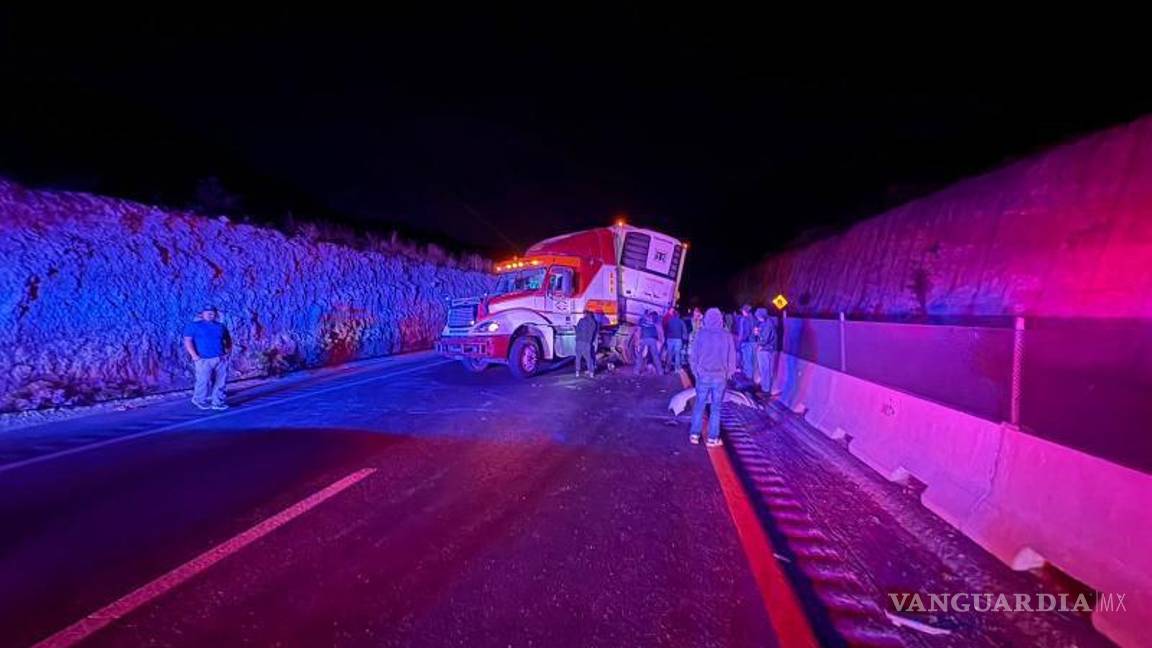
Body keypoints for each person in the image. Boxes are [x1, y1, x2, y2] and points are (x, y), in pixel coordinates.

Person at [688, 308, 737, 447]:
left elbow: (693, 355)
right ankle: (712, 438)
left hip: (703, 376)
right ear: (720, 319)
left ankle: (694, 435)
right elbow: (732, 357)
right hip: (720, 377)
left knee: (699, 405)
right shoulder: (727, 335)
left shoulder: (700, 334)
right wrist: (729, 373)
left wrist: (695, 372)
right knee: (716, 407)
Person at [183, 305, 232, 410]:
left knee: (220, 381)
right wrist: (194, 356)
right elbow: (188, 341)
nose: (210, 314)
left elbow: (228, 340)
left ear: (215, 314)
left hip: (220, 358)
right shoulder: (194, 326)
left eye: (212, 312)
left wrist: (227, 352)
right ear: (202, 314)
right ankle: (198, 400)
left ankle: (217, 401)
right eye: (207, 312)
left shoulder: (220, 326)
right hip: (203, 359)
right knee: (203, 380)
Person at [754, 307, 777, 393]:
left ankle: (766, 390)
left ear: (762, 316)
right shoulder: (765, 323)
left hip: (765, 350)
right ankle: (764, 388)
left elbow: (764, 339)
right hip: (765, 349)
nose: (757, 318)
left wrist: (758, 335)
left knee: (765, 370)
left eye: (758, 316)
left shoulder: (768, 325)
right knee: (764, 370)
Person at [635, 310, 664, 375]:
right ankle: (660, 372)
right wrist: (661, 340)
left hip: (643, 339)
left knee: (640, 356)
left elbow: (638, 331)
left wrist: (637, 341)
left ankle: (637, 371)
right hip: (653, 340)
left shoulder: (641, 320)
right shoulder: (655, 320)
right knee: (655, 356)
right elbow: (660, 330)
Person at [574, 308, 600, 377]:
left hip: (579, 341)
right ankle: (591, 373)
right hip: (588, 342)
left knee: (578, 357)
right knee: (589, 358)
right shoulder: (594, 322)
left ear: (585, 314)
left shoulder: (581, 321)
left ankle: (577, 372)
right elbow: (595, 333)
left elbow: (577, 330)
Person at [735, 303, 756, 377]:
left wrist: (739, 343)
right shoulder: (753, 319)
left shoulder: (743, 319)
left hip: (745, 342)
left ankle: (747, 378)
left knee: (746, 360)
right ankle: (750, 376)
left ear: (744, 311)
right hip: (753, 342)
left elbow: (742, 332)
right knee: (751, 361)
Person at [664, 307, 686, 373]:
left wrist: (666, 338)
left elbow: (666, 329)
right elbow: (684, 331)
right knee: (677, 354)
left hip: (669, 339)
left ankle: (667, 369)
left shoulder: (669, 321)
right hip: (678, 340)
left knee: (669, 354)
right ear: (678, 315)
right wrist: (685, 340)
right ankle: (677, 369)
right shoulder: (681, 321)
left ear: (673, 315)